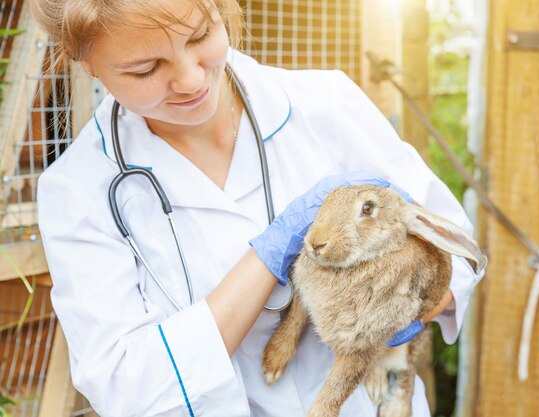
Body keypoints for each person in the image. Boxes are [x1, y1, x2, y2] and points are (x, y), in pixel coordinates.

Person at [32, 0, 483, 416]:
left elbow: (456, 253)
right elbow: (124, 384)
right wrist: (267, 257)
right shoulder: (78, 191)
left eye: (200, 37)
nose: (191, 79)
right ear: (87, 63)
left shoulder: (326, 104)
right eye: (145, 68)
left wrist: (395, 304)